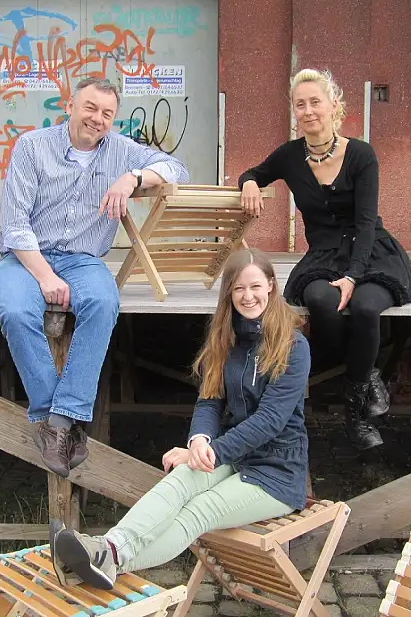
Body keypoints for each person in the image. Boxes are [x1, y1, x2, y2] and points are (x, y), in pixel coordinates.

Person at [48, 248, 311, 590]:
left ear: (271, 286)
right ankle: (107, 550)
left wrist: (211, 452)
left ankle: (107, 559)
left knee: (198, 512)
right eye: (239, 289)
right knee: (180, 480)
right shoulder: (226, 338)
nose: (248, 296)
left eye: (255, 286)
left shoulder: (293, 346)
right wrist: (199, 440)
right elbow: (209, 401)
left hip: (277, 473)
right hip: (235, 457)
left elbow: (270, 421)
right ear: (229, 294)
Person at [0, 77, 189, 478]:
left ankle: (60, 421)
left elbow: (177, 169)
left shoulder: (122, 151)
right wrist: (45, 276)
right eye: (90, 108)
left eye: (107, 113)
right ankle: (57, 416)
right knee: (15, 311)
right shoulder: (32, 146)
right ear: (70, 106)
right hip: (26, 257)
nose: (97, 119)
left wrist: (132, 178)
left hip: (83, 260)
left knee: (103, 303)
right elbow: (14, 225)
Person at [239, 68, 411, 451]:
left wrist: (354, 276)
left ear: (333, 106)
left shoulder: (361, 155)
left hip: (371, 253)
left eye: (315, 102)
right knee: (322, 301)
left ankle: (355, 414)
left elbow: (367, 222)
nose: (308, 111)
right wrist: (250, 183)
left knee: (366, 307)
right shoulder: (290, 156)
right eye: (300, 104)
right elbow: (252, 172)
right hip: (323, 255)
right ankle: (368, 374)